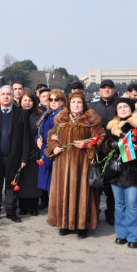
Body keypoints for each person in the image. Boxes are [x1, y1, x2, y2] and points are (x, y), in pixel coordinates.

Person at [45, 91, 104, 238]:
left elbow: (100, 137)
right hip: (62, 163)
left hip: (82, 163)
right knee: (64, 192)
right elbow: (51, 136)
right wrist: (54, 146)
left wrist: (88, 143)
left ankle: (83, 226)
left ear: (83, 104)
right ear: (68, 104)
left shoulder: (91, 119)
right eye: (73, 102)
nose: (76, 105)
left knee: (82, 193)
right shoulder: (60, 120)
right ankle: (65, 224)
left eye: (79, 102)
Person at [103, 98, 137, 248]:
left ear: (131, 109)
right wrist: (111, 144)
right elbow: (103, 145)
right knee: (119, 204)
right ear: (116, 111)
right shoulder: (111, 126)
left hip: (133, 171)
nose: (123, 109)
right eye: (120, 107)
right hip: (116, 172)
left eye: (125, 106)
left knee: (132, 204)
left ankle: (133, 236)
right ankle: (121, 234)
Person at [0, 85, 30, 223]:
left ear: (13, 96)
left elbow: (26, 138)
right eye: (3, 94)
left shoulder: (21, 114)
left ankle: (11, 211)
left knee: (11, 185)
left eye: (9, 94)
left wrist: (24, 158)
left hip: (13, 156)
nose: (6, 96)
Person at [90, 79, 117, 225]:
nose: (107, 90)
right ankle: (95, 211)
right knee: (95, 183)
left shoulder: (119, 106)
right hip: (97, 151)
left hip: (113, 151)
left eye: (109, 88)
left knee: (112, 185)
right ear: (100, 90)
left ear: (113, 90)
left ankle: (110, 213)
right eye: (104, 88)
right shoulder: (92, 107)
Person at [36, 89, 66, 209]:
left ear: (62, 101)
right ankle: (52, 207)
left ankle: (58, 209)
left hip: (58, 151)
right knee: (49, 183)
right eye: (51, 99)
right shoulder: (47, 114)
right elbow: (40, 132)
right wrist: (37, 138)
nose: (53, 102)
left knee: (58, 183)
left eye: (56, 99)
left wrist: (60, 137)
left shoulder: (64, 115)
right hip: (45, 149)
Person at [18, 91, 42, 216]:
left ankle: (33, 205)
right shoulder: (16, 114)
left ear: (34, 102)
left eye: (29, 100)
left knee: (33, 181)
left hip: (34, 152)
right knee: (21, 180)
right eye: (24, 100)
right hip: (20, 152)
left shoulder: (39, 116)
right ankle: (23, 206)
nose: (27, 103)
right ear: (20, 102)